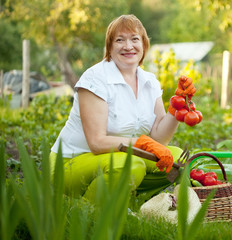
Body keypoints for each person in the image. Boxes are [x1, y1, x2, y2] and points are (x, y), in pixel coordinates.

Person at [49, 14, 197, 202]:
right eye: (120, 40)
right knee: (130, 164)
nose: (128, 46)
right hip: (71, 163)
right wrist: (142, 143)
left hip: (117, 159)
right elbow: (97, 143)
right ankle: (87, 212)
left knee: (178, 161)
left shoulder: (149, 81)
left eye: (135, 39)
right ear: (110, 48)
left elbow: (159, 139)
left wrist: (178, 106)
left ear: (143, 45)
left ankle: (125, 197)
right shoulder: (96, 79)